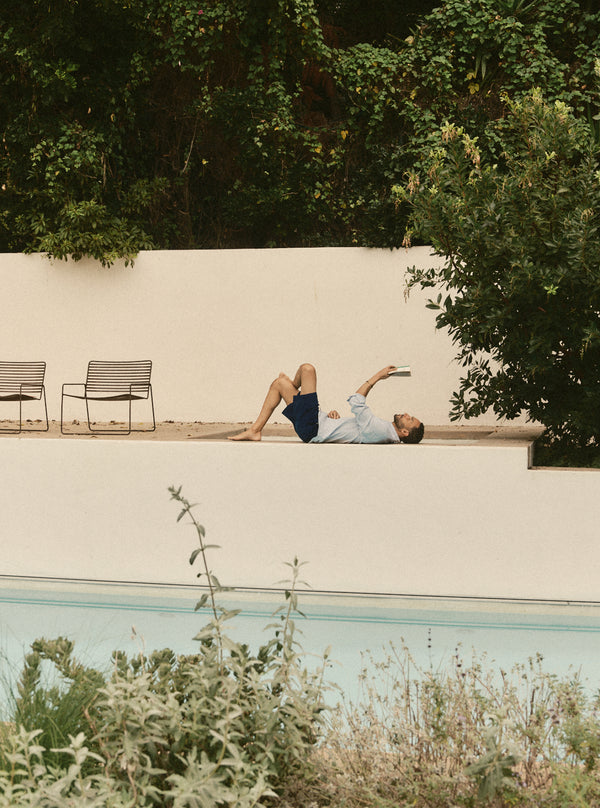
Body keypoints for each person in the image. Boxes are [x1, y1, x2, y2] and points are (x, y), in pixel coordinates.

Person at [228, 362, 424, 444]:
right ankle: (255, 430)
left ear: (404, 432)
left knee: (307, 369)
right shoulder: (384, 430)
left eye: (410, 419)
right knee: (278, 384)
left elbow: (357, 401)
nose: (407, 414)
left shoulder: (382, 431)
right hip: (317, 423)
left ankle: (293, 385)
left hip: (312, 428)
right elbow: (354, 428)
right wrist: (334, 421)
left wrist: (378, 376)